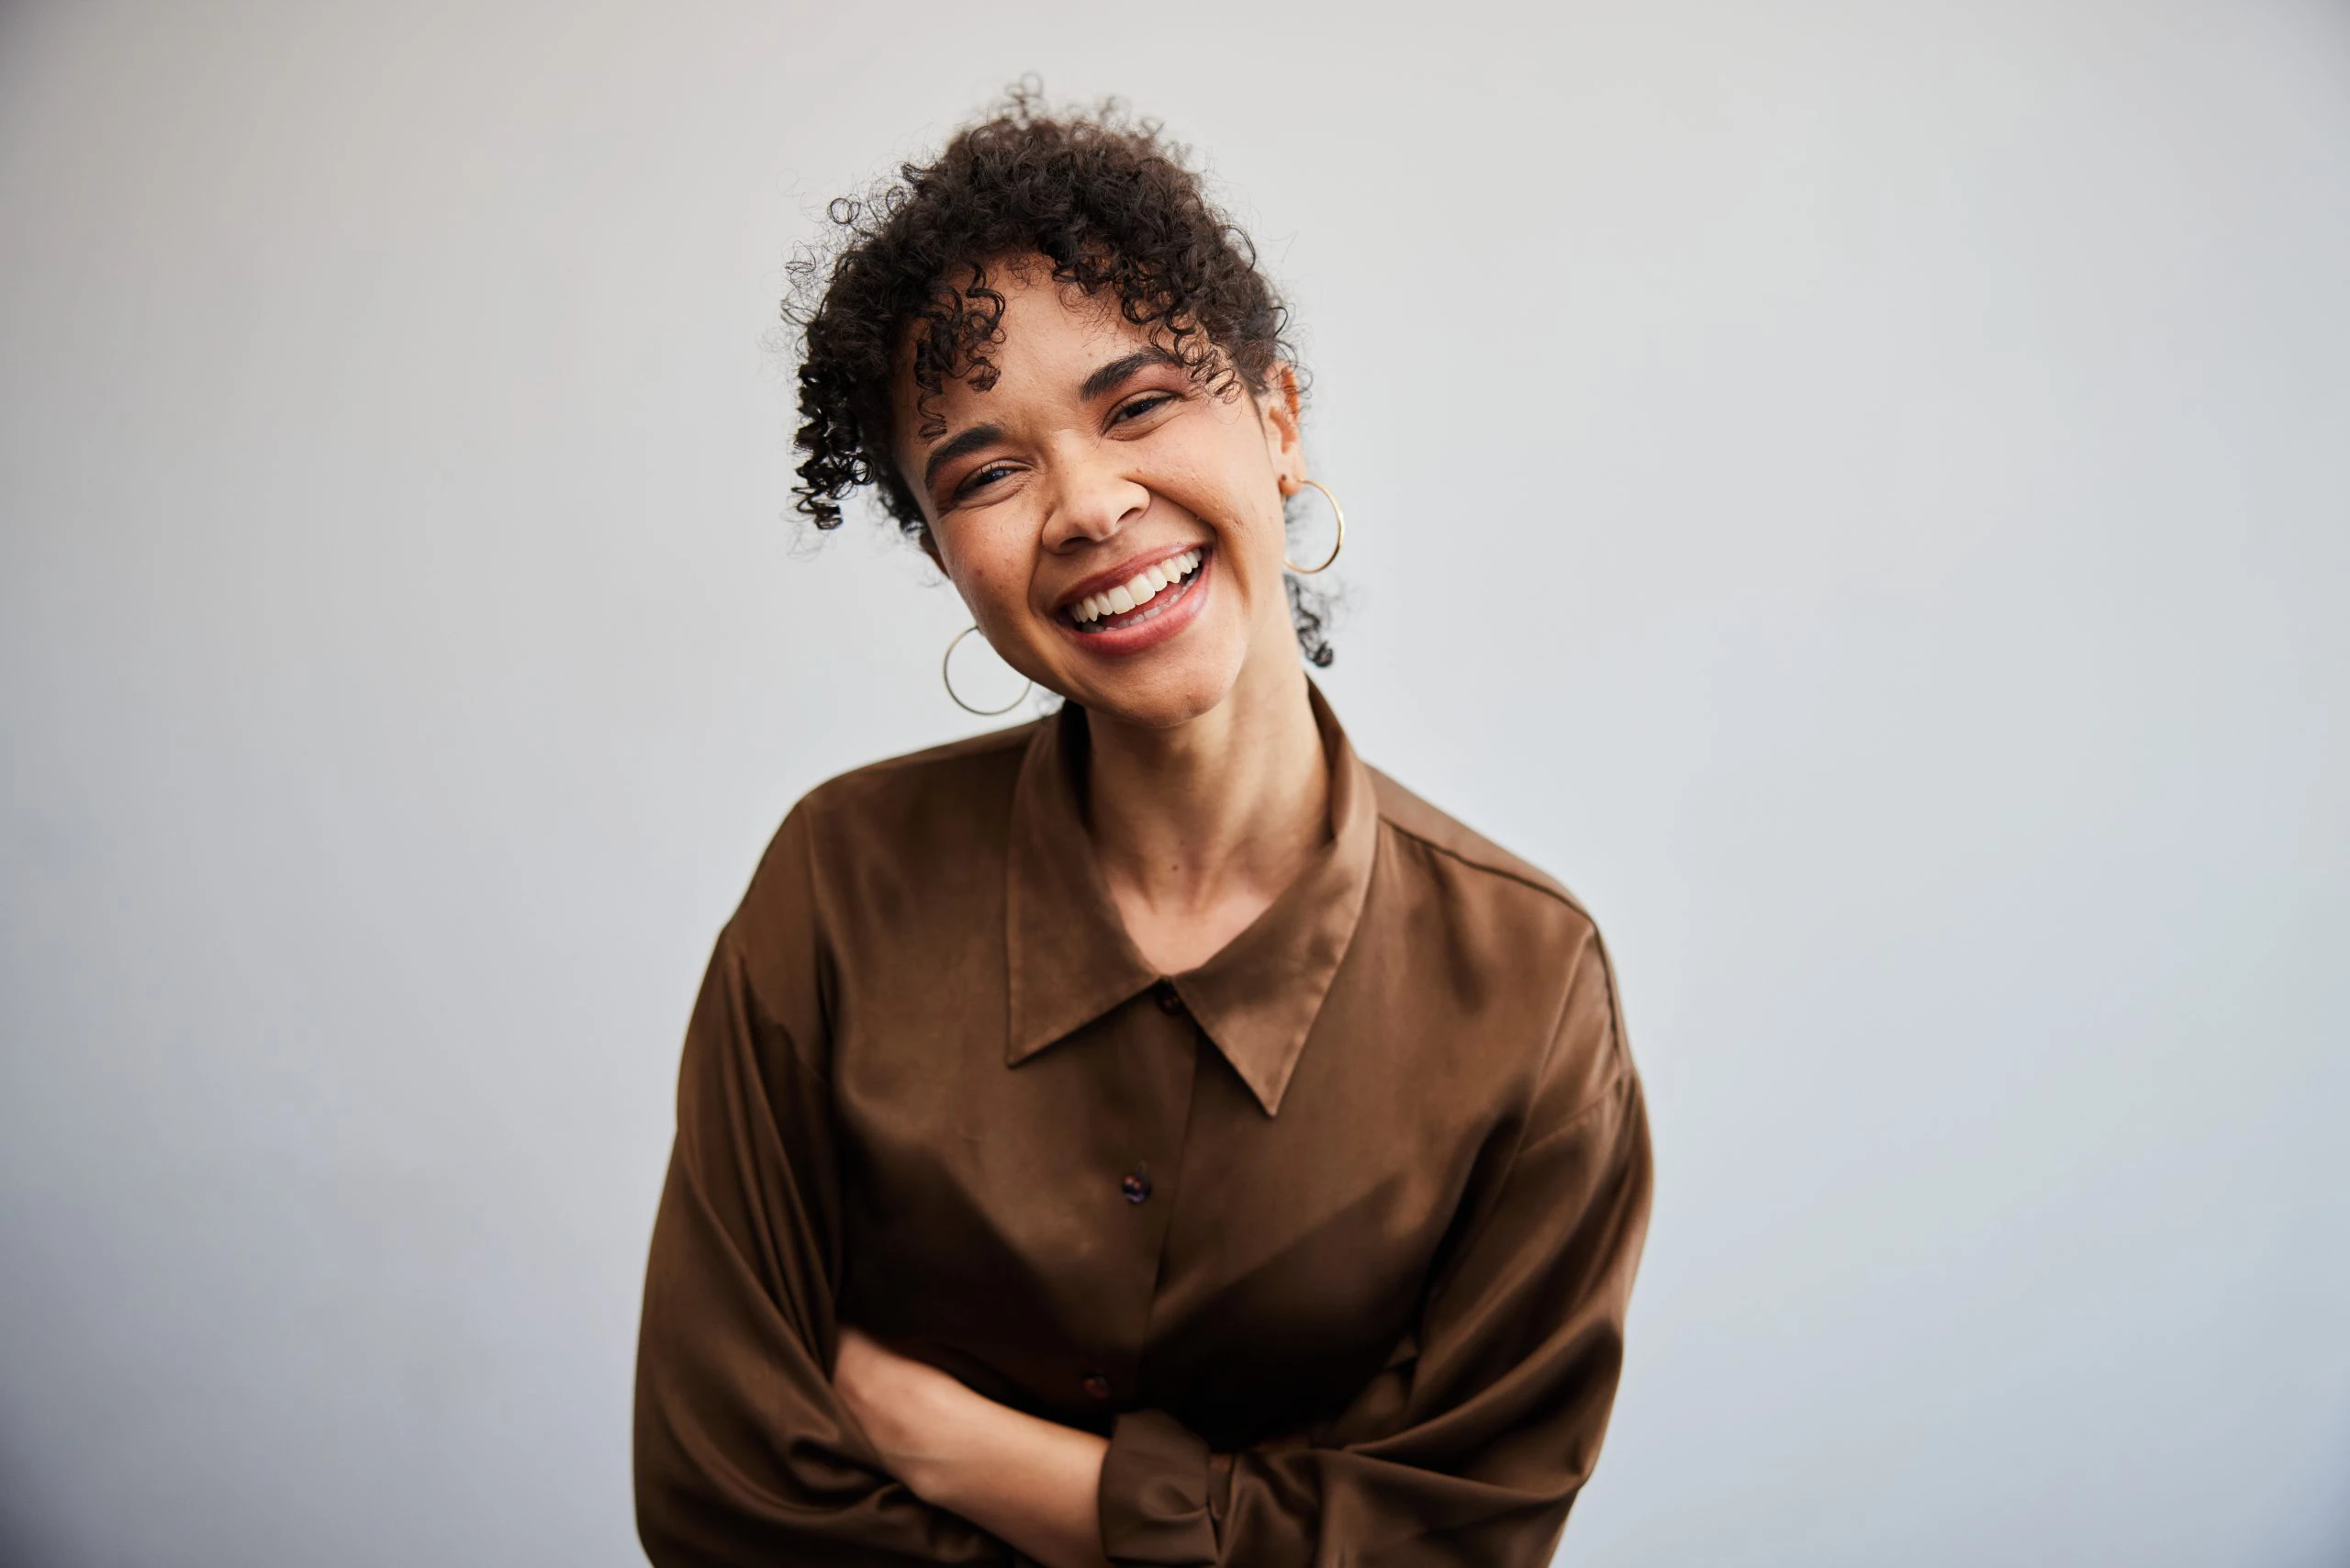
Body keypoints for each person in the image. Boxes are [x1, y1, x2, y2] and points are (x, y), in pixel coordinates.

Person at [632, 89, 1654, 1568]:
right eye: (986, 471)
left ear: (1279, 422)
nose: (1088, 504)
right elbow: (725, 1506)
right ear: (944, 557)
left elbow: (1452, 1543)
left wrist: (962, 1452)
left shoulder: (1530, 987)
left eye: (1141, 404)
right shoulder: (835, 892)